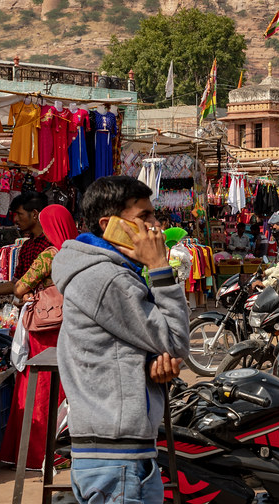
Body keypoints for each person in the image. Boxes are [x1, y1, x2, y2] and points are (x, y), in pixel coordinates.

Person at [52, 176, 189, 504]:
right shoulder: (107, 278)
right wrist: (159, 266)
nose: (155, 227)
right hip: (115, 457)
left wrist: (150, 363)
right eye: (145, 218)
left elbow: (124, 346)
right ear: (109, 224)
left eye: (154, 216)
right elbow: (176, 341)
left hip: (120, 452)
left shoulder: (111, 271)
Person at [0, 204, 78, 470]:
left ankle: (37, 454)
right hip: (74, 328)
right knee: (69, 389)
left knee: (41, 389)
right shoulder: (80, 252)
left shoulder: (49, 255)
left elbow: (20, 287)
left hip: (46, 330)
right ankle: (67, 450)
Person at [11, 192, 52, 283]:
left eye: (19, 214)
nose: (15, 219)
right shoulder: (27, 246)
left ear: (34, 214)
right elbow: (17, 282)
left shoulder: (50, 244)